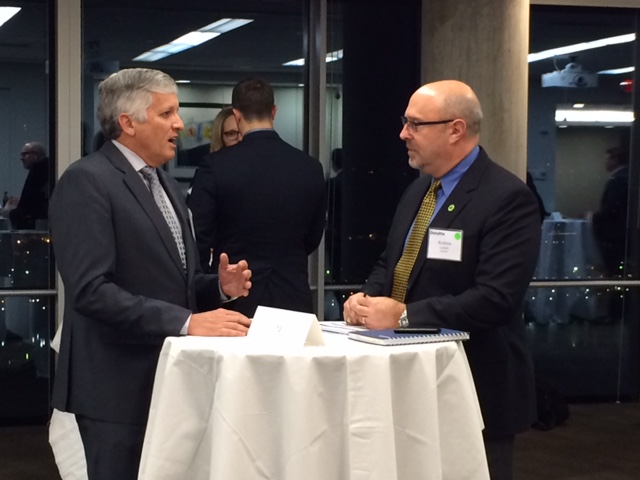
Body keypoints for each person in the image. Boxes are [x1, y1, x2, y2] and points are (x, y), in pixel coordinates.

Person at [49, 68, 252, 480]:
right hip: (114, 390)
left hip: (167, 383)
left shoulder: (165, 184)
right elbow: (92, 291)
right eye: (167, 113)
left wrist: (218, 288)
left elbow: (175, 281)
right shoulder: (86, 181)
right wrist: (187, 322)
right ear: (128, 122)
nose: (179, 124)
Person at [343, 80, 541, 480]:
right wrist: (367, 297)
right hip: (408, 387)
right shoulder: (419, 191)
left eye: (415, 124)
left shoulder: (507, 198)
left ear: (455, 129)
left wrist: (402, 317)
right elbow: (393, 261)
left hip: (474, 388)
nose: (403, 134)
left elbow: (496, 298)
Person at [188, 77, 326, 318]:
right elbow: (312, 238)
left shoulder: (215, 166)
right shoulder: (310, 168)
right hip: (293, 300)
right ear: (274, 111)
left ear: (236, 115)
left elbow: (198, 236)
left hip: (236, 301)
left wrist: (203, 289)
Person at [592, 146, 629, 277]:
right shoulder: (622, 177)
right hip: (617, 232)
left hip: (614, 233)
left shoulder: (619, 179)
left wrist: (593, 217)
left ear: (615, 160)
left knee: (613, 269)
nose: (605, 163)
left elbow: (612, 207)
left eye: (607, 159)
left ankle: (614, 296)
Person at [1, 141, 54, 229]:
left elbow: (29, 209)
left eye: (25, 154)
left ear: (36, 155)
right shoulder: (46, 170)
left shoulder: (38, 172)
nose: (21, 158)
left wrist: (9, 213)